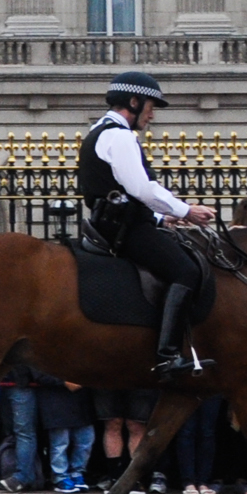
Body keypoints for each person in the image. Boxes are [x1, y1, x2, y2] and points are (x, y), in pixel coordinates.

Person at [80, 69, 215, 379]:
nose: (152, 116)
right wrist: (185, 211)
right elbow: (141, 189)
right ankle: (167, 355)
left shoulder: (99, 130)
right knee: (186, 270)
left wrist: (159, 216)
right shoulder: (120, 135)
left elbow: (118, 191)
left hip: (115, 221)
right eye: (151, 107)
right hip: (124, 229)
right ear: (134, 101)